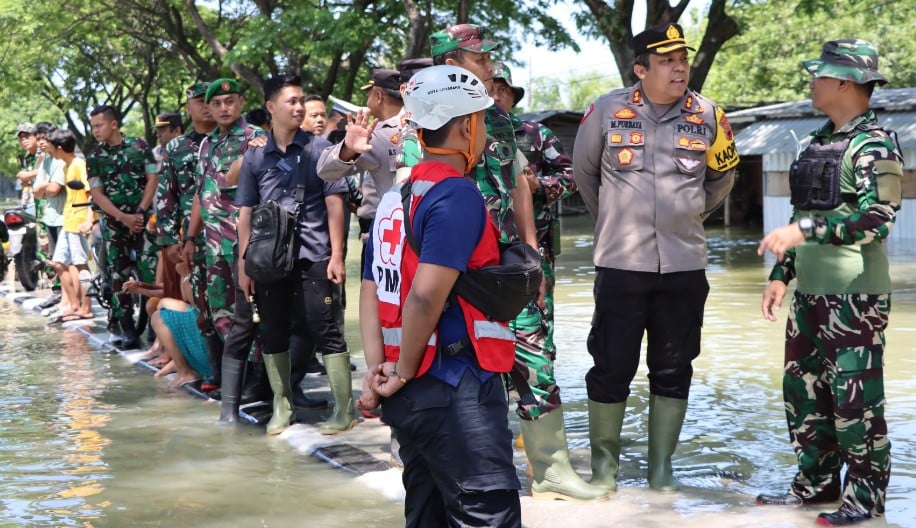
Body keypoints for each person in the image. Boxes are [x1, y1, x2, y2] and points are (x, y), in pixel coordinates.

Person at [427, 23, 605, 502]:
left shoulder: (500, 121)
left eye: (489, 59)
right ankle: (457, 468)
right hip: (452, 270)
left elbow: (520, 185)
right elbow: (414, 193)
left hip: (508, 270)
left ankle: (550, 473)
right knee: (455, 365)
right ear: (452, 65)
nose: (490, 68)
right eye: (480, 60)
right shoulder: (423, 121)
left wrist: (532, 256)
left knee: (535, 360)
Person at [572, 22, 738, 493]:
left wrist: (688, 215)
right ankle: (605, 468)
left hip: (685, 267)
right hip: (621, 266)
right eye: (666, 60)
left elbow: (722, 179)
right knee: (611, 365)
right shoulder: (606, 111)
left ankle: (660, 469)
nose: (679, 67)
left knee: (674, 366)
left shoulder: (709, 115)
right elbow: (586, 175)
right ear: (640, 69)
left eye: (682, 58)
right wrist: (616, 222)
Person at [358, 64, 521, 527]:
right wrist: (404, 372)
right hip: (452, 385)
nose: (485, 132)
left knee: (427, 514)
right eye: (483, 122)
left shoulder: (396, 197)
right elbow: (425, 299)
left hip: (407, 391)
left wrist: (378, 370)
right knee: (485, 514)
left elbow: (371, 287)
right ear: (466, 125)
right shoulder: (456, 195)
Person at [755, 39, 902, 526]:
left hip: (854, 297)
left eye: (819, 75)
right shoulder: (818, 141)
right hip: (810, 295)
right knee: (804, 396)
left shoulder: (876, 143)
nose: (810, 82)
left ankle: (865, 500)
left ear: (844, 82)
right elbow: (804, 212)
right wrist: (782, 274)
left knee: (855, 402)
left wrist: (807, 231)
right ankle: (816, 488)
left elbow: (877, 219)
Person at [488, 60, 604, 501]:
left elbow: (571, 177)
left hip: (533, 258)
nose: (495, 95)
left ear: (512, 97)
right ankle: (496, 454)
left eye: (501, 89)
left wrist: (539, 188)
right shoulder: (461, 133)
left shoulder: (535, 135)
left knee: (537, 351)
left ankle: (548, 466)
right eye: (488, 87)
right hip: (483, 264)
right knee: (486, 356)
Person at [234, 74, 353, 435]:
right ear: (271, 108)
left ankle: (344, 411)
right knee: (272, 333)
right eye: (291, 101)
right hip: (268, 262)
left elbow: (336, 203)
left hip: (314, 256)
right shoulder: (255, 155)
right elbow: (245, 214)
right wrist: (244, 266)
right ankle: (281, 407)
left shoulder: (320, 149)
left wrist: (337, 256)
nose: (299, 107)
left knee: (326, 329)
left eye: (301, 101)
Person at [181, 78, 264, 395]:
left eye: (229, 101)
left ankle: (259, 382)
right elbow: (202, 195)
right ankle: (238, 380)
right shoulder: (207, 143)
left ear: (241, 102)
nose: (223, 108)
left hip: (245, 244)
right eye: (216, 103)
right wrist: (190, 238)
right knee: (221, 316)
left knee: (252, 314)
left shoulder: (255, 139)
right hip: (213, 247)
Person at [155, 82, 222, 391]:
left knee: (232, 305)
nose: (206, 106)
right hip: (191, 241)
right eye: (199, 101)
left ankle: (241, 371)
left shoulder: (233, 140)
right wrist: (168, 241)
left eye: (211, 100)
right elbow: (166, 196)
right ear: (189, 108)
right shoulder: (176, 148)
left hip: (227, 235)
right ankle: (212, 370)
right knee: (202, 306)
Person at [86, 105, 159, 349]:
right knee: (117, 273)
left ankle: (155, 327)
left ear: (114, 124)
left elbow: (152, 179)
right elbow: (97, 193)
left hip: (143, 220)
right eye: (93, 126)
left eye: (99, 125)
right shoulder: (95, 156)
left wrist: (139, 211)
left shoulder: (139, 147)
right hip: (114, 223)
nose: (95, 130)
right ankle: (127, 327)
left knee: (150, 270)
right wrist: (122, 217)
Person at [317, 68, 404, 265]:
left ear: (379, 96)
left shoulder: (378, 136)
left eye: (369, 92)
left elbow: (324, 170)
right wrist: (349, 149)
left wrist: (348, 149)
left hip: (390, 243)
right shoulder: (443, 128)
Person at [46, 129, 94, 322]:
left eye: (50, 147)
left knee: (81, 265)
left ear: (59, 148)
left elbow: (90, 193)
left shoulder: (79, 165)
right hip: (68, 221)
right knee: (58, 263)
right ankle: (74, 305)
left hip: (79, 221)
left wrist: (89, 219)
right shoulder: (66, 166)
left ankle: (86, 307)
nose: (47, 150)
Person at [32, 122, 67, 311]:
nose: (40, 143)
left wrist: (43, 187)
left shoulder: (61, 161)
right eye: (38, 139)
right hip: (50, 217)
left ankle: (71, 300)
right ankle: (59, 295)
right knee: (53, 259)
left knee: (67, 262)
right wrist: (44, 188)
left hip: (64, 217)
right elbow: (36, 191)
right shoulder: (45, 161)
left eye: (43, 138)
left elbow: (53, 189)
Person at [14, 123, 38, 214]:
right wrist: (26, 182)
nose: (24, 139)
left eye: (27, 135)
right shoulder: (28, 157)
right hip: (38, 203)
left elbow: (49, 170)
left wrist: (29, 174)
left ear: (36, 136)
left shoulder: (45, 151)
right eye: (21, 137)